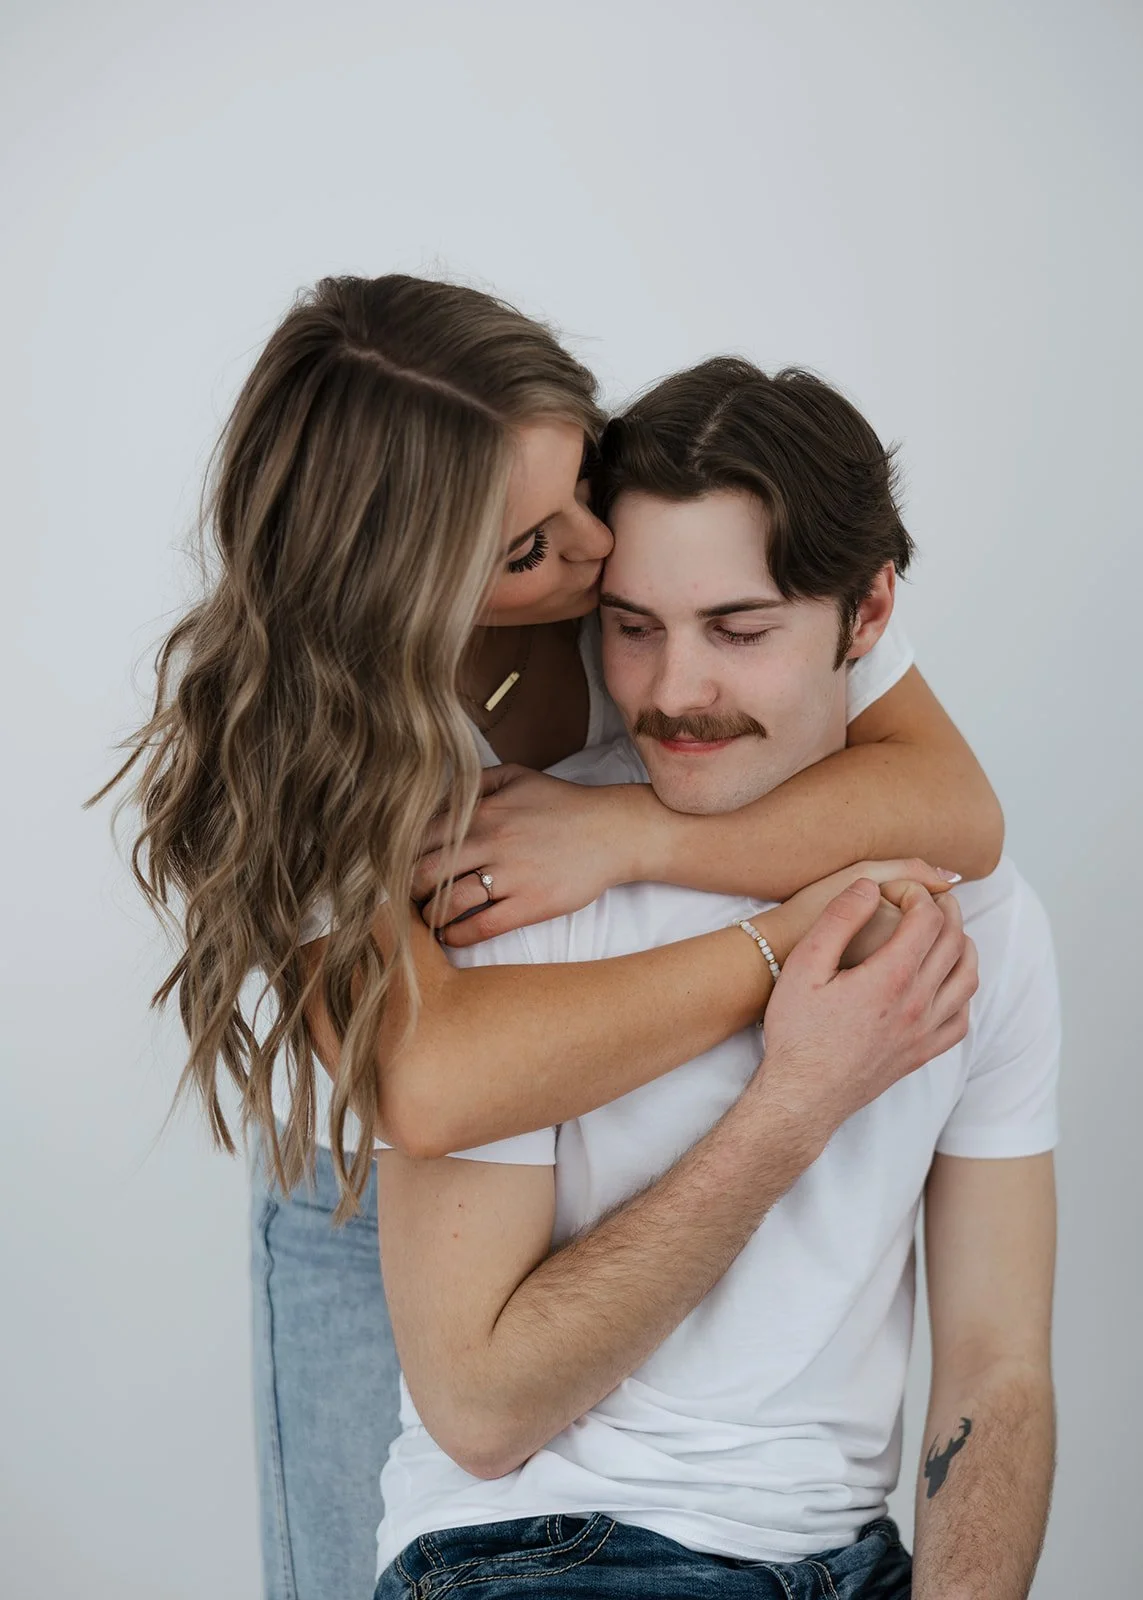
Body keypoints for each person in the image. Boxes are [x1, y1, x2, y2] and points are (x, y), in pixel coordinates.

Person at [90, 275, 1001, 1600]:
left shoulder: (656, 553)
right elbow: (434, 1083)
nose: (597, 546)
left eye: (581, 475)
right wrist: (774, 954)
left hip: (627, 1125)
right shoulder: (307, 734)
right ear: (404, 581)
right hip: (378, 1187)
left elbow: (954, 806)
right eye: (531, 548)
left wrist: (624, 836)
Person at [370, 360, 1058, 1599]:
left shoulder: (985, 914)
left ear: (870, 611)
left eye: (740, 631)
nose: (675, 693)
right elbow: (480, 1411)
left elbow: (997, 1365)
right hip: (556, 1546)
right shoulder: (509, 873)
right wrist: (800, 1096)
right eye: (631, 628)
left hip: (851, 1558)